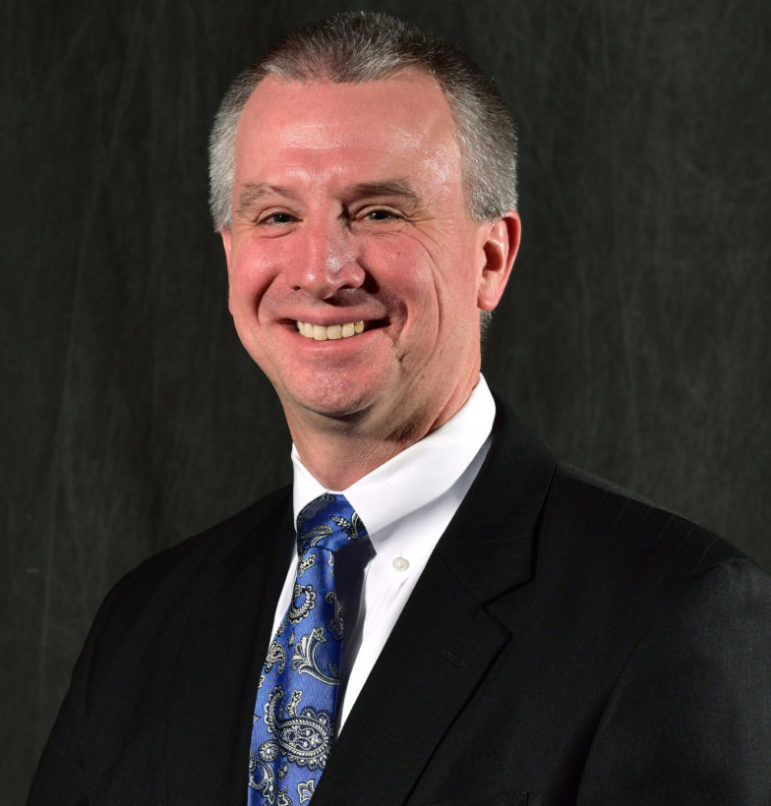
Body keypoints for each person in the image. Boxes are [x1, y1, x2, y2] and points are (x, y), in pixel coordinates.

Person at [29, 11, 771, 806]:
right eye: (276, 215)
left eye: (379, 210)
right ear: (231, 255)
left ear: (491, 258)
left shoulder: (673, 613)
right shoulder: (146, 624)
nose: (322, 269)